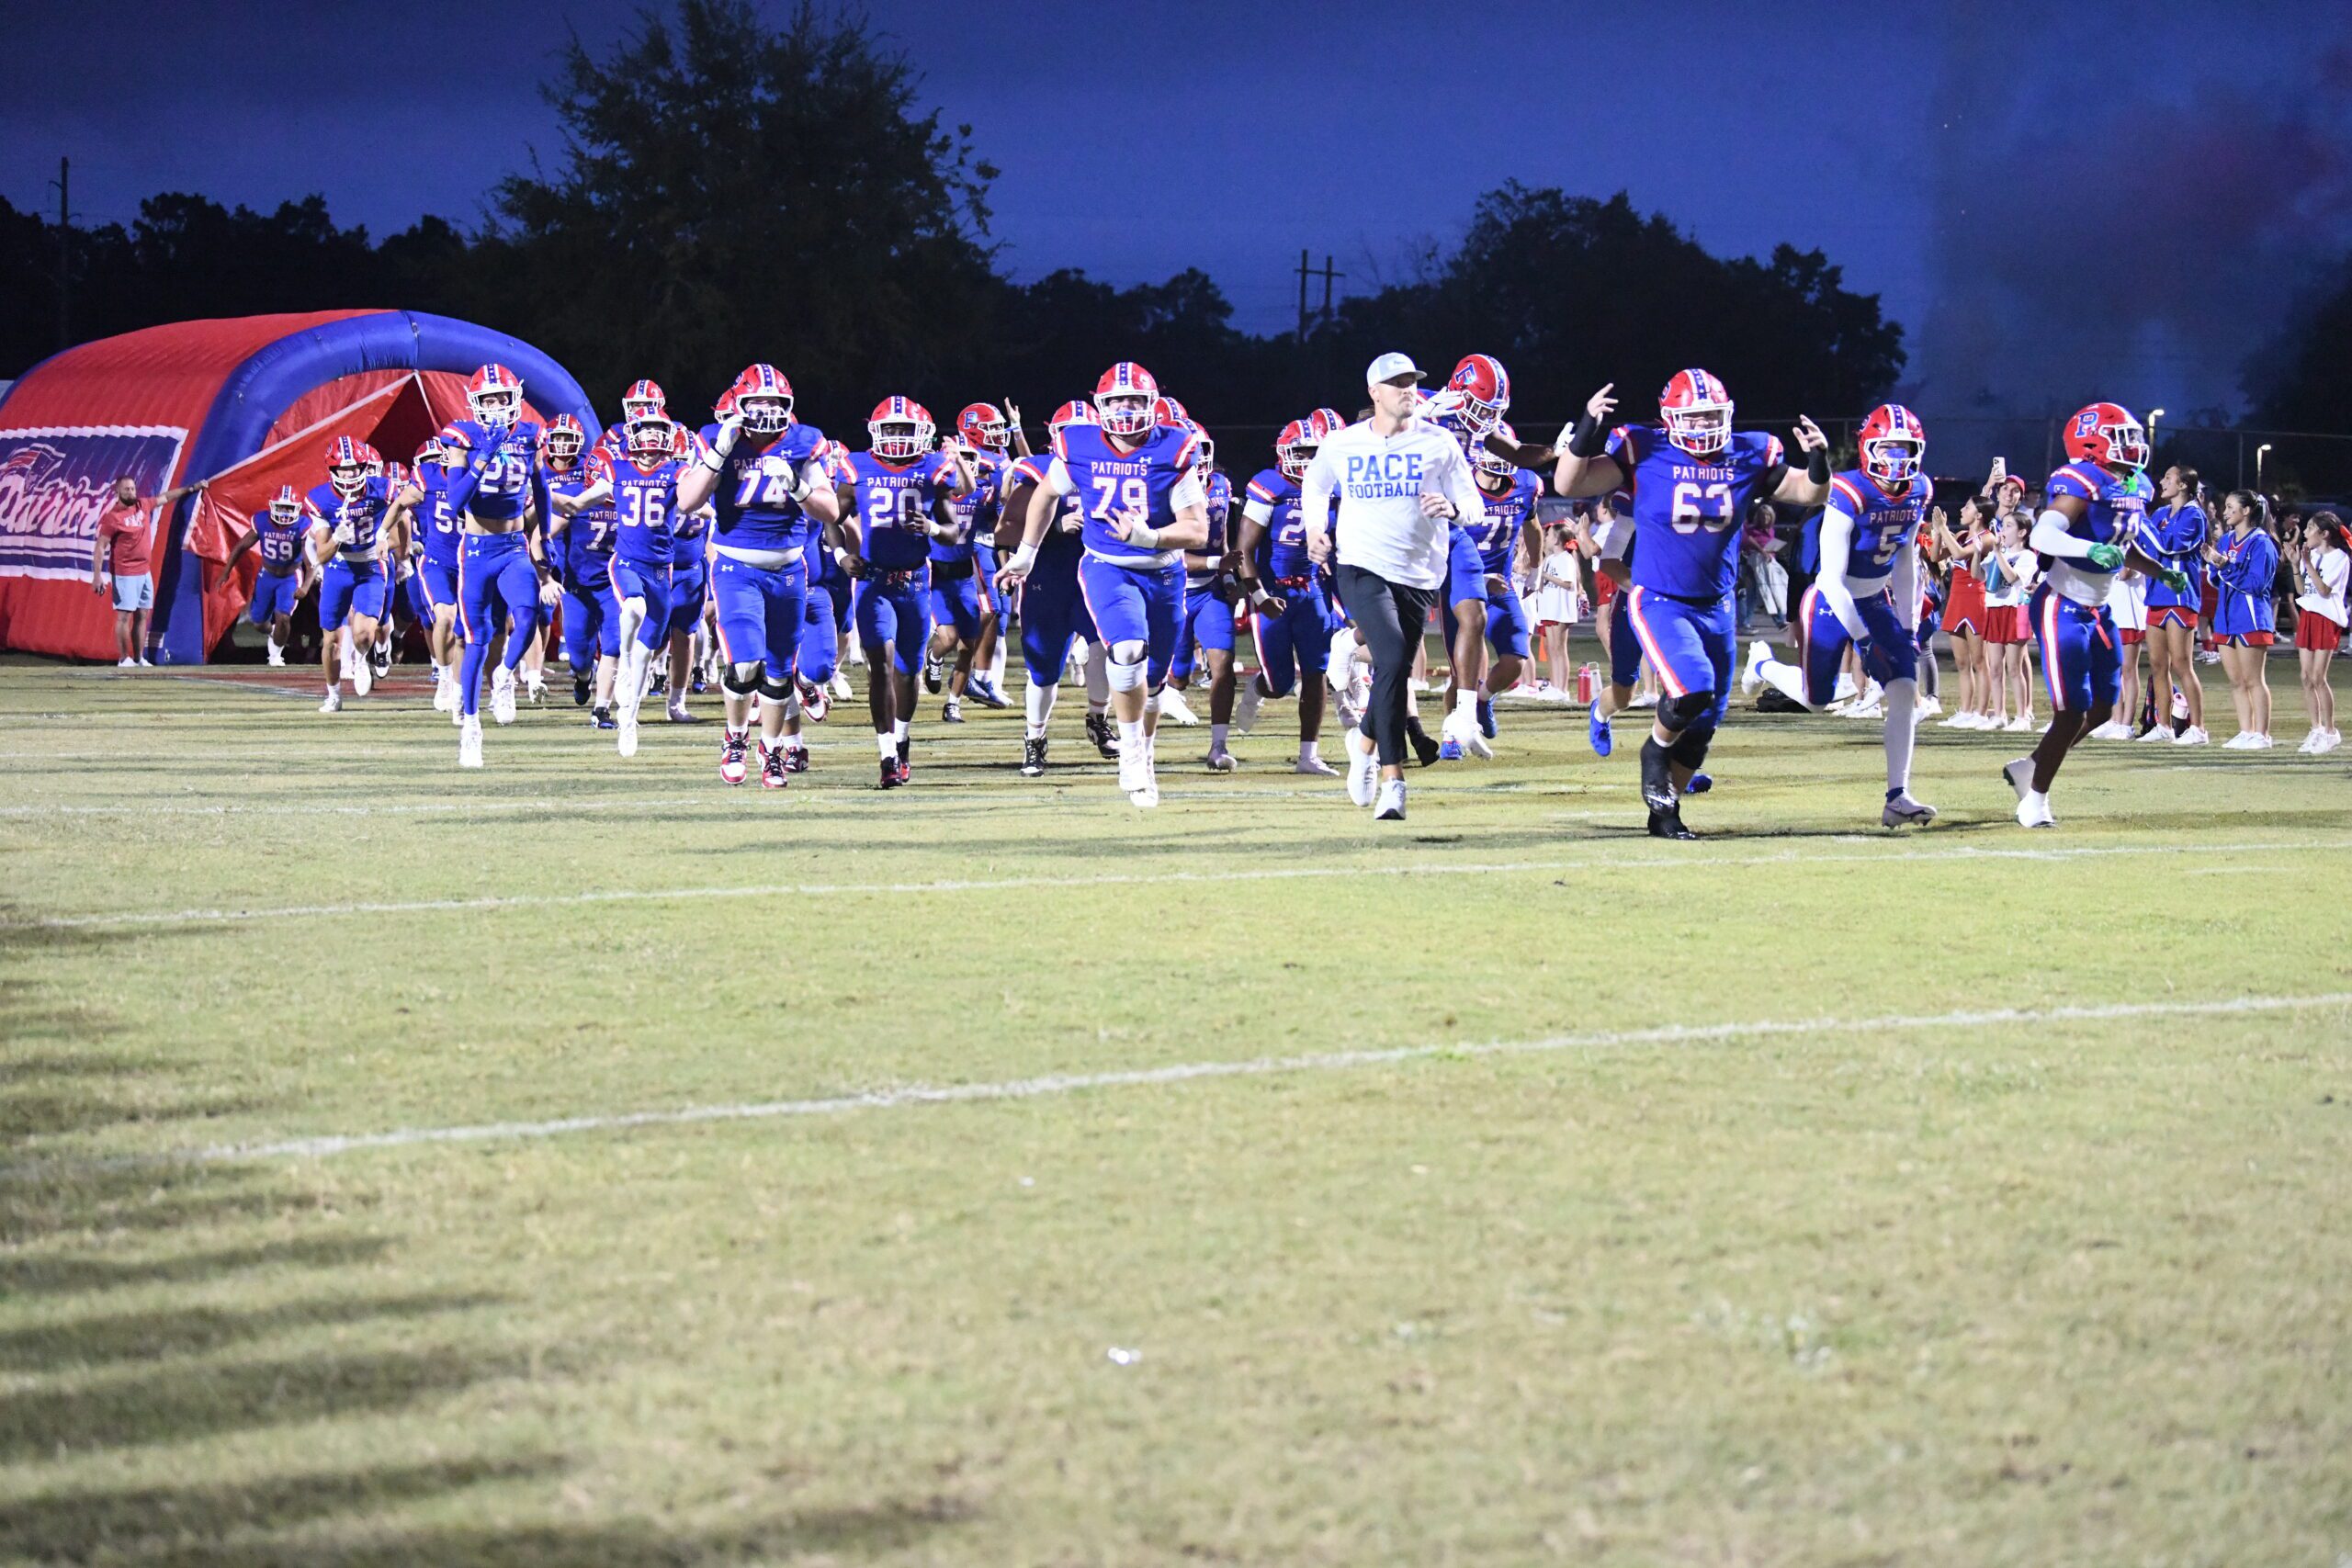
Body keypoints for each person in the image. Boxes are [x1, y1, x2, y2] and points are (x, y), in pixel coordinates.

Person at [1554, 370, 1832, 838]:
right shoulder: (1644, 448)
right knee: (1693, 685)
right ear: (1671, 419)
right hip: (1661, 598)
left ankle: (1665, 813)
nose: (1704, 425)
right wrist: (1586, 427)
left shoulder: (1748, 452)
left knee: (1705, 722)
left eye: (1711, 416)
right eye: (1694, 416)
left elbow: (1810, 492)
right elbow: (1567, 483)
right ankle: (1653, 752)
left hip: (1718, 604)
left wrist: (1819, 459)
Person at [1001, 363, 1207, 808]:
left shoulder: (1173, 448)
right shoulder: (1079, 444)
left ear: (1152, 405)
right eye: (1117, 400)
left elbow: (1197, 530)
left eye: (1135, 400)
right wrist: (1027, 552)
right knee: (1127, 650)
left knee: (1154, 683)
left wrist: (1150, 537)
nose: (1126, 409)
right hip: (1107, 567)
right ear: (1101, 406)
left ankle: (1143, 754)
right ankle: (1131, 755)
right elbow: (1045, 495)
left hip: (1164, 572)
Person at [1295, 353, 1487, 821]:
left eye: (1412, 381)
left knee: (1393, 670)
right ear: (1374, 392)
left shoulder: (1439, 442)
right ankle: (1393, 781)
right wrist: (1316, 530)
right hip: (1359, 566)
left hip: (1419, 574)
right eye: (1397, 383)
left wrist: (1454, 510)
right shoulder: (1343, 443)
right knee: (1395, 659)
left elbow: (1474, 504)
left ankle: (1363, 743)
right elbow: (1315, 486)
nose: (1408, 389)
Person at [1740, 405, 1938, 826]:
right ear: (1869, 448)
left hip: (1875, 600)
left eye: (1905, 448)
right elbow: (1831, 580)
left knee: (1904, 690)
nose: (1898, 457)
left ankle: (1897, 796)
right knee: (1816, 700)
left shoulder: (1919, 489)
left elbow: (1906, 561)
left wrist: (1907, 628)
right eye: (1889, 448)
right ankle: (1762, 664)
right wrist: (1865, 642)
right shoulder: (1850, 490)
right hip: (1831, 602)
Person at [2001, 403, 2190, 827]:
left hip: (2099, 608)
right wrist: (2090, 548)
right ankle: (2034, 800)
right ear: (2090, 443)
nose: (2133, 445)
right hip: (2062, 604)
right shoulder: (2081, 479)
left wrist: (2159, 572)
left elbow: (2120, 545)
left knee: (2103, 708)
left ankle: (2032, 766)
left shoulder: (2134, 484)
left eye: (2132, 436)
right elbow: (2044, 534)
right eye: (2121, 437)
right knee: (2072, 710)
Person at [669, 367, 836, 787]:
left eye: (776, 401)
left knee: (779, 672)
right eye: (759, 401)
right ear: (740, 405)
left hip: (789, 570)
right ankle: (736, 738)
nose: (768, 409)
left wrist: (797, 486)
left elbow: (831, 510)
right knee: (744, 663)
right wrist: (717, 455)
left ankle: (773, 751)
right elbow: (686, 501)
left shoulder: (803, 441)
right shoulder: (716, 436)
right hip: (736, 567)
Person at [838, 397, 967, 788]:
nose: (897, 435)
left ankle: (902, 740)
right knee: (880, 664)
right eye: (890, 428)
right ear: (876, 431)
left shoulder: (933, 468)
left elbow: (954, 532)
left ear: (921, 433)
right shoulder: (856, 466)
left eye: (905, 429)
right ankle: (887, 756)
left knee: (908, 671)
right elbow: (832, 517)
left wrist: (931, 528)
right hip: (873, 580)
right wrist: (842, 555)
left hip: (915, 582)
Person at [441, 365, 556, 764]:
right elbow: (454, 502)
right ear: (475, 403)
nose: (494, 406)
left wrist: (545, 536)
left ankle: (505, 674)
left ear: (514, 400)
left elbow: (541, 488)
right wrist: (482, 458)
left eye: (500, 398)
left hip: (513, 546)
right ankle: (471, 727)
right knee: (478, 638)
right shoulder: (463, 437)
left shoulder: (529, 435)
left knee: (529, 613)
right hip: (476, 549)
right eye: (487, 399)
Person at [996, 400, 1114, 777]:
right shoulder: (1040, 470)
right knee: (1044, 671)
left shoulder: (1112, 469)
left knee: (1107, 651)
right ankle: (1035, 739)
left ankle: (1098, 719)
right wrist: (1055, 527)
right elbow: (1004, 531)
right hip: (1048, 581)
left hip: (1096, 578)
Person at [1233, 417, 1341, 775]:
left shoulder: (1333, 489)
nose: (1308, 461)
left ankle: (1309, 755)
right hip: (1275, 593)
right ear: (1284, 453)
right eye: (1301, 452)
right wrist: (1259, 595)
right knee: (1279, 684)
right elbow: (1244, 550)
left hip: (1313, 591)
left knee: (1316, 671)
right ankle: (1258, 689)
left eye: (1314, 453)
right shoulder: (1271, 486)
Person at [1441, 424, 1545, 758]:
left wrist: (1536, 568)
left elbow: (1533, 526)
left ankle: (1483, 700)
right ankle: (1451, 737)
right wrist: (1479, 579)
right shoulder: (1457, 485)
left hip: (1502, 584)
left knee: (1516, 660)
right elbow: (1439, 542)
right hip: (1461, 583)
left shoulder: (1526, 484)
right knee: (1463, 674)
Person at [304, 435, 415, 713]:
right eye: (344, 469)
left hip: (370, 566)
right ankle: (333, 695)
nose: (350, 474)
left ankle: (363, 658)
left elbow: (403, 515)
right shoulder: (320, 499)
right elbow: (322, 556)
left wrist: (398, 548)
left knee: (364, 634)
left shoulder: (382, 489)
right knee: (331, 640)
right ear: (333, 470)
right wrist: (336, 539)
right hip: (339, 568)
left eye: (355, 468)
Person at [1164, 427, 1243, 768]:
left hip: (1210, 590)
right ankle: (1166, 694)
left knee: (1222, 665)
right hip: (1174, 589)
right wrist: (1217, 564)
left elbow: (1221, 538)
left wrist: (1227, 577)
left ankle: (1218, 746)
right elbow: (1166, 552)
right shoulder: (1163, 487)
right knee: (1179, 675)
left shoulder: (1220, 485)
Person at [543, 414, 621, 730]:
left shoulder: (629, 497)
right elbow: (543, 535)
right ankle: (584, 677)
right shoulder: (576, 497)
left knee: (615, 644)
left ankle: (602, 709)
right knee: (578, 655)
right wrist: (545, 574)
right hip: (578, 584)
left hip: (614, 583)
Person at [88, 475, 198, 665]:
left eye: (133, 488)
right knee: (124, 616)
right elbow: (100, 546)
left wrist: (190, 489)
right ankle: (124, 659)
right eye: (126, 489)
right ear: (117, 492)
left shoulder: (142, 505)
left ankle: (139, 659)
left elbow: (165, 497)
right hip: (125, 573)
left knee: (142, 615)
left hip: (144, 571)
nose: (131, 492)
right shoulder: (113, 517)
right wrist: (97, 576)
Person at [2137, 464, 2210, 744]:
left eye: (2168, 478)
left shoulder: (2194, 515)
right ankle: (2163, 725)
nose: (2162, 482)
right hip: (2156, 594)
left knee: (2181, 663)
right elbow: (2146, 547)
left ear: (2183, 485)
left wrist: (2140, 520)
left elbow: (2169, 546)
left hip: (2180, 596)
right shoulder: (2159, 514)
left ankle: (2198, 728)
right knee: (2157, 664)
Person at [2205, 490, 2279, 749]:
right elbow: (2216, 578)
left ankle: (2262, 735)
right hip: (2225, 617)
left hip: (2251, 617)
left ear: (2246, 511)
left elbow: (2257, 585)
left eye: (2230, 507)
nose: (2224, 512)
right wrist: (2213, 564)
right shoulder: (2226, 540)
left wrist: (2224, 566)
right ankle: (2246, 732)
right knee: (2236, 681)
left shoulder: (2262, 543)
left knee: (2253, 680)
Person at [213, 484, 309, 664]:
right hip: (267, 575)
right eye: (281, 507)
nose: (284, 512)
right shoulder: (262, 521)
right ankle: (273, 633)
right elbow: (240, 546)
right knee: (259, 623)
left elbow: (310, 560)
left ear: (297, 509)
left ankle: (276, 656)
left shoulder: (302, 526)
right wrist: (225, 572)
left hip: (290, 577)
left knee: (283, 617)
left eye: (288, 508)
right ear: (272, 506)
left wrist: (306, 584)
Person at [2290, 510, 2346, 752]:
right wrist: (2296, 565)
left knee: (2318, 677)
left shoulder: (2340, 558)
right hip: (2308, 614)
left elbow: (2323, 590)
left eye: (2310, 528)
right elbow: (2303, 591)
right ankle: (2316, 729)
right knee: (2305, 676)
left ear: (2324, 534)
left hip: (2326, 617)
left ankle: (2331, 732)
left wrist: (2307, 564)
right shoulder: (2310, 555)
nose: (2305, 532)